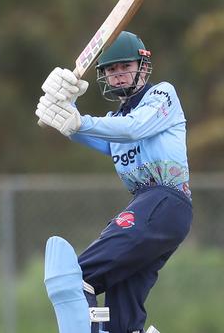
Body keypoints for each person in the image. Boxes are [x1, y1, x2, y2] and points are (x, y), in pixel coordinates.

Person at [36, 31, 193, 333]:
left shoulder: (162, 96)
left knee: (76, 276)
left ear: (142, 66)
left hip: (164, 201)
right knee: (122, 316)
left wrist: (80, 121)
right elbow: (95, 133)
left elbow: (133, 129)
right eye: (111, 70)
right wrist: (65, 110)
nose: (118, 75)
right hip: (153, 210)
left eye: (125, 67)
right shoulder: (115, 120)